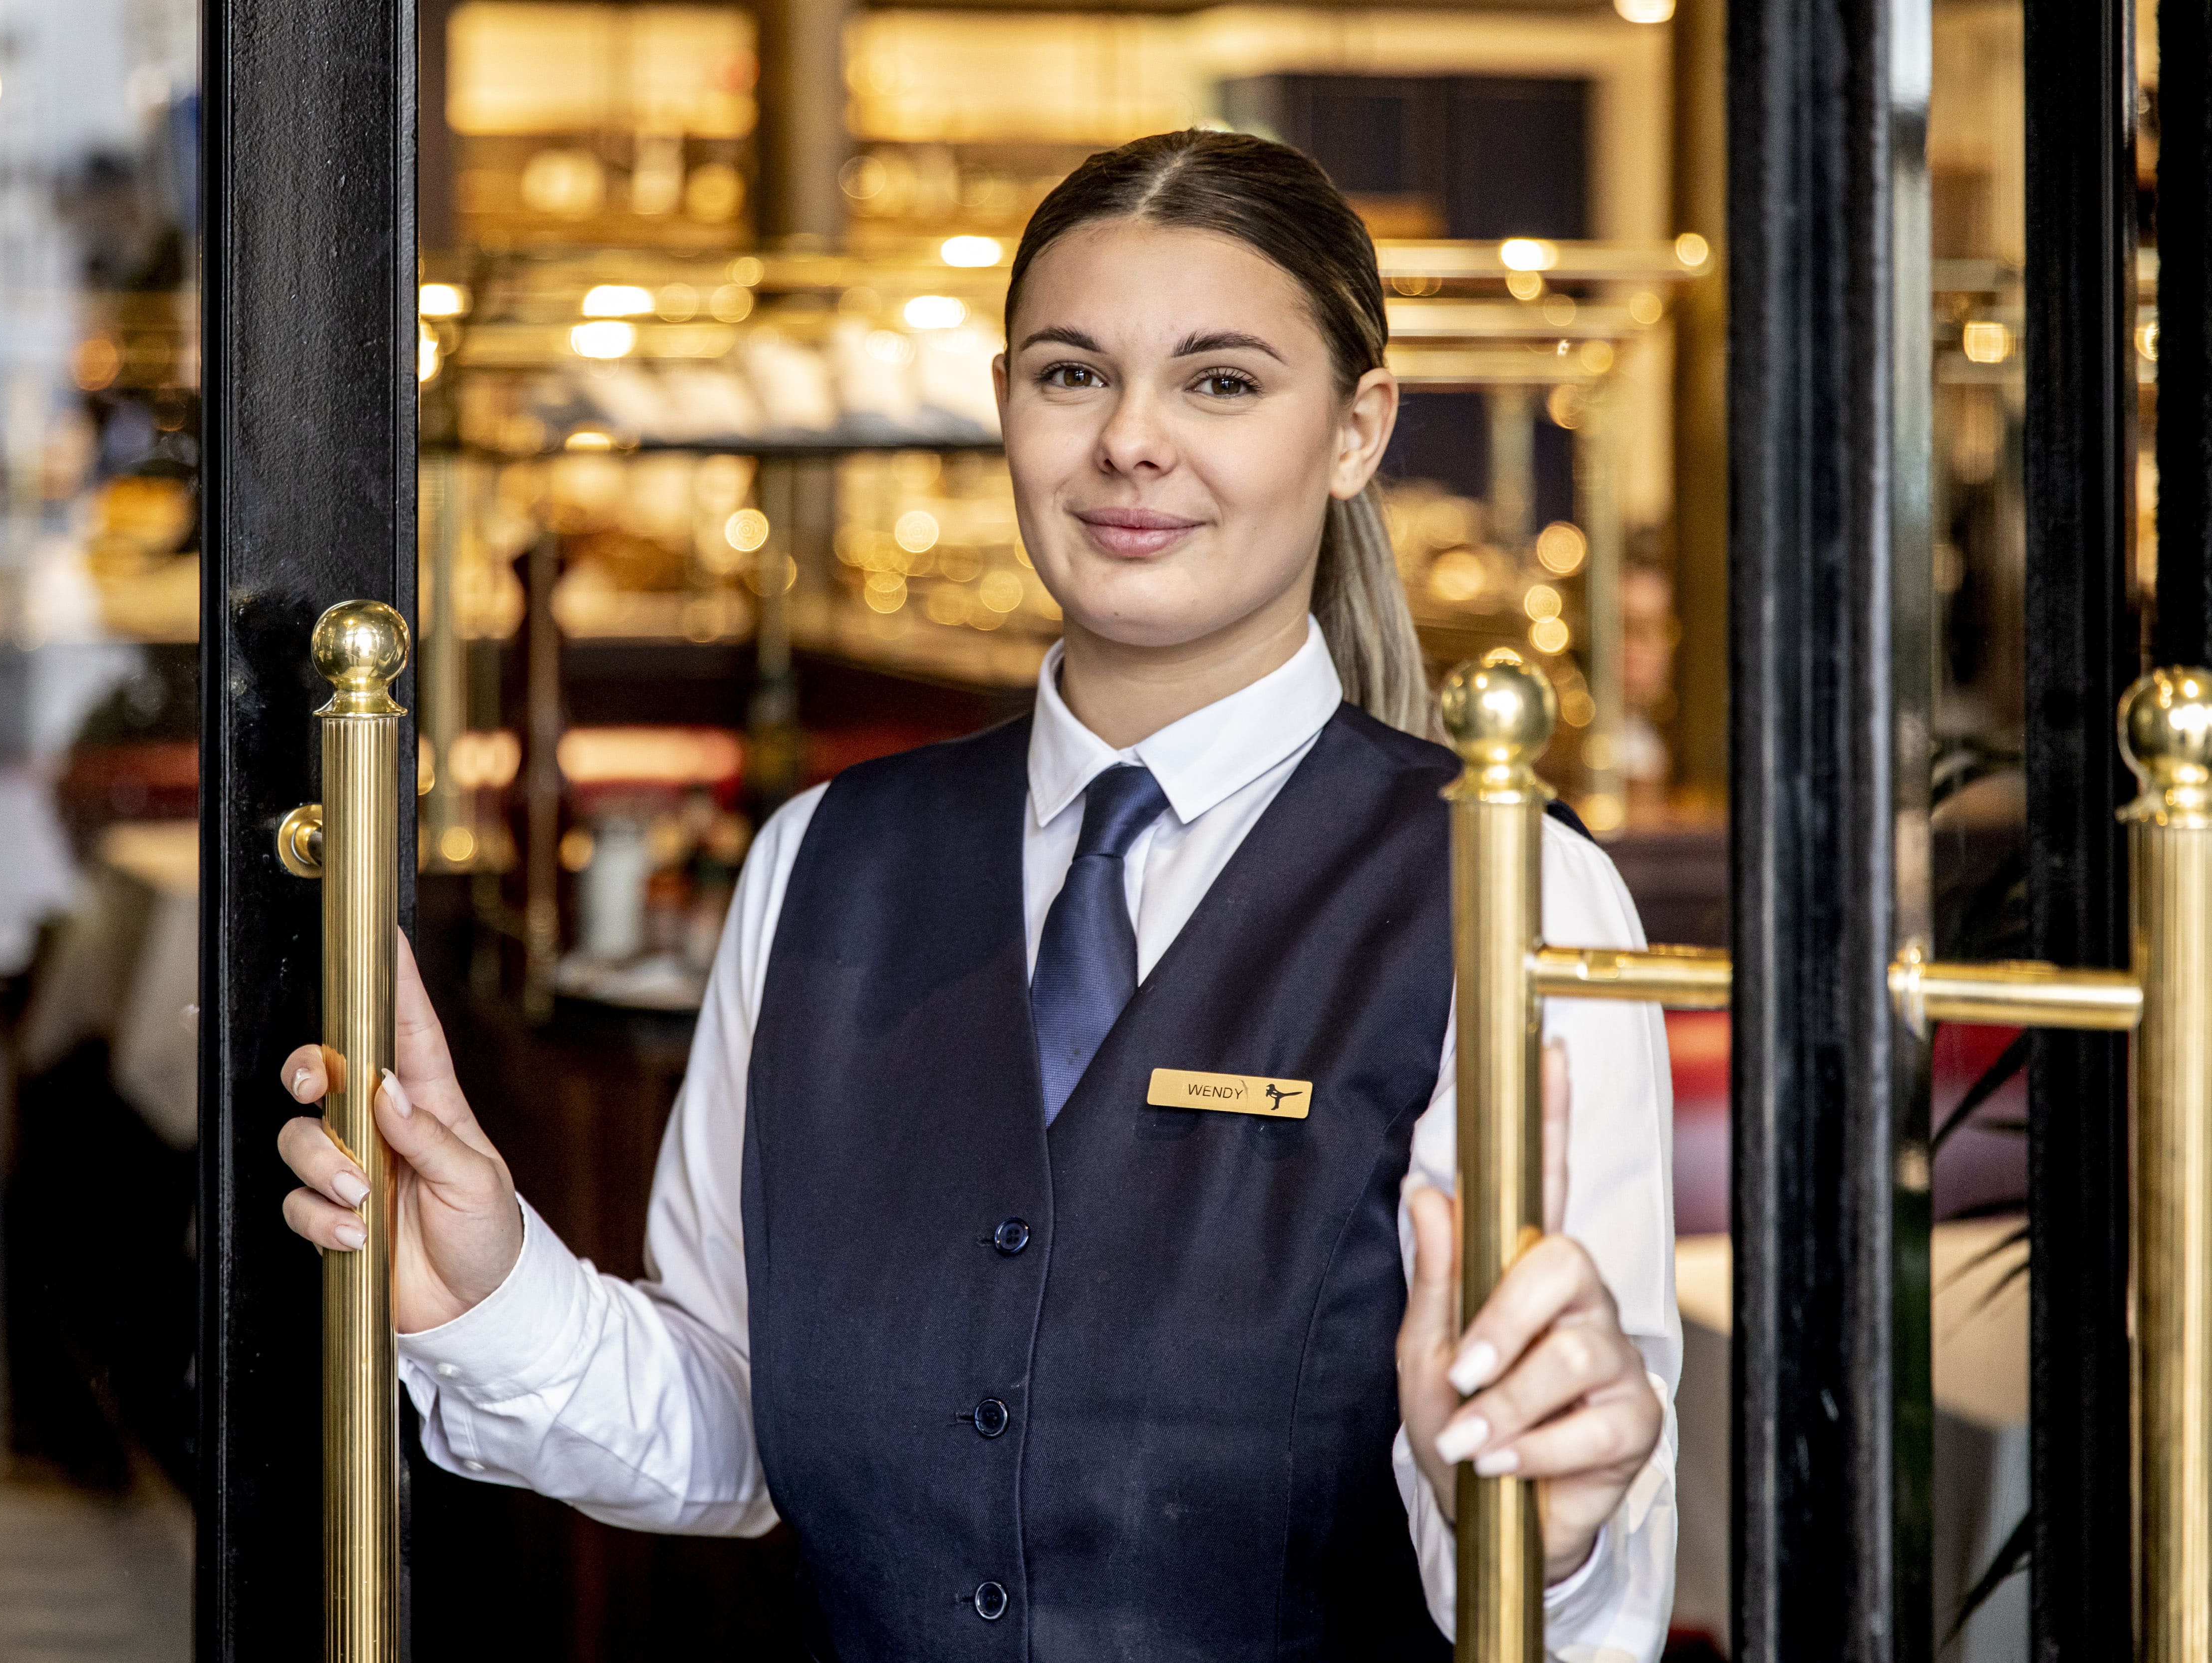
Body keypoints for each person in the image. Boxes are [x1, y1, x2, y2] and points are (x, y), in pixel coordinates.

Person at [278, 128, 1677, 1661]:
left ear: (1356, 432)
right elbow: (735, 1419)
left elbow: (1563, 1575)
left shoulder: (1511, 887)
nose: (1132, 442)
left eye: (1222, 382)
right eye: (1072, 374)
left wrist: (1544, 1537)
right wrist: (489, 1289)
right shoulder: (826, 858)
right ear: (1004, 405)